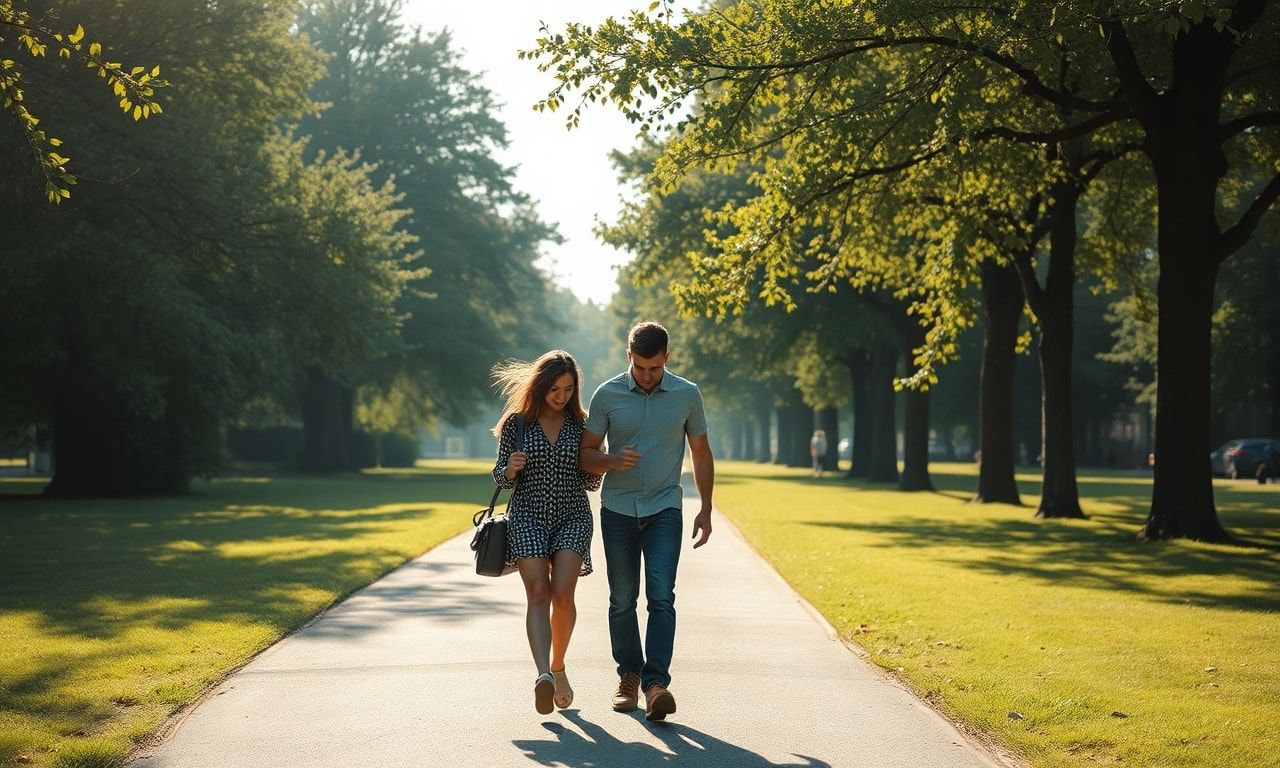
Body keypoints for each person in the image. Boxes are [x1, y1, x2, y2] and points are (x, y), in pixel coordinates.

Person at [580, 321, 715, 722]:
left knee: (661, 596)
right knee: (622, 599)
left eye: (654, 368)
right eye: (640, 367)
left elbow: (702, 454)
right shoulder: (607, 395)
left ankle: (657, 684)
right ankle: (628, 677)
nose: (647, 376)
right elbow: (585, 454)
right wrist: (611, 461)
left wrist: (706, 508)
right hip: (618, 509)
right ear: (629, 358)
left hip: (664, 509)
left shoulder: (688, 395)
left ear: (666, 359)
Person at [491, 350, 601, 715]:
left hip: (572, 515)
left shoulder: (582, 425)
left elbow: (590, 483)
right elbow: (499, 479)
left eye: (569, 389)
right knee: (538, 592)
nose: (561, 396)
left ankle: (559, 666)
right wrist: (509, 469)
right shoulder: (516, 424)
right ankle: (543, 676)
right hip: (527, 516)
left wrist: (601, 463)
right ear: (541, 386)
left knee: (562, 594)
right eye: (555, 389)